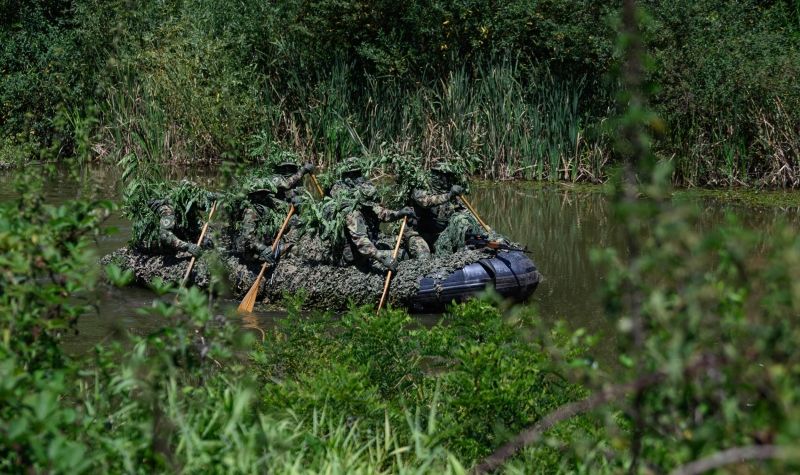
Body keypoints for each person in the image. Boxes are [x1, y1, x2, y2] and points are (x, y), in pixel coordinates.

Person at [329, 159, 416, 271]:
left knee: (386, 246)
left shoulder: (361, 200)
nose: (360, 178)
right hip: (352, 258)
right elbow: (362, 243)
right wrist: (384, 259)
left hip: (360, 250)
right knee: (404, 254)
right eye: (356, 174)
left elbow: (381, 213)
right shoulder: (351, 212)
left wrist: (400, 213)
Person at [409, 163, 484, 255]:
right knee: (423, 255)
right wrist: (449, 195)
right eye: (441, 176)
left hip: (440, 235)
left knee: (462, 223)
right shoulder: (420, 187)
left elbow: (465, 212)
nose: (444, 180)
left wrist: (479, 227)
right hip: (419, 234)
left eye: (447, 177)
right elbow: (426, 202)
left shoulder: (449, 192)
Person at [129, 180, 216, 257]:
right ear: (186, 197)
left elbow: (192, 228)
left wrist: (202, 241)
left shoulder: (187, 207)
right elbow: (164, 234)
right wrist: (187, 247)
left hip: (172, 233)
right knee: (169, 249)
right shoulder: (168, 209)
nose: (197, 200)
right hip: (152, 243)